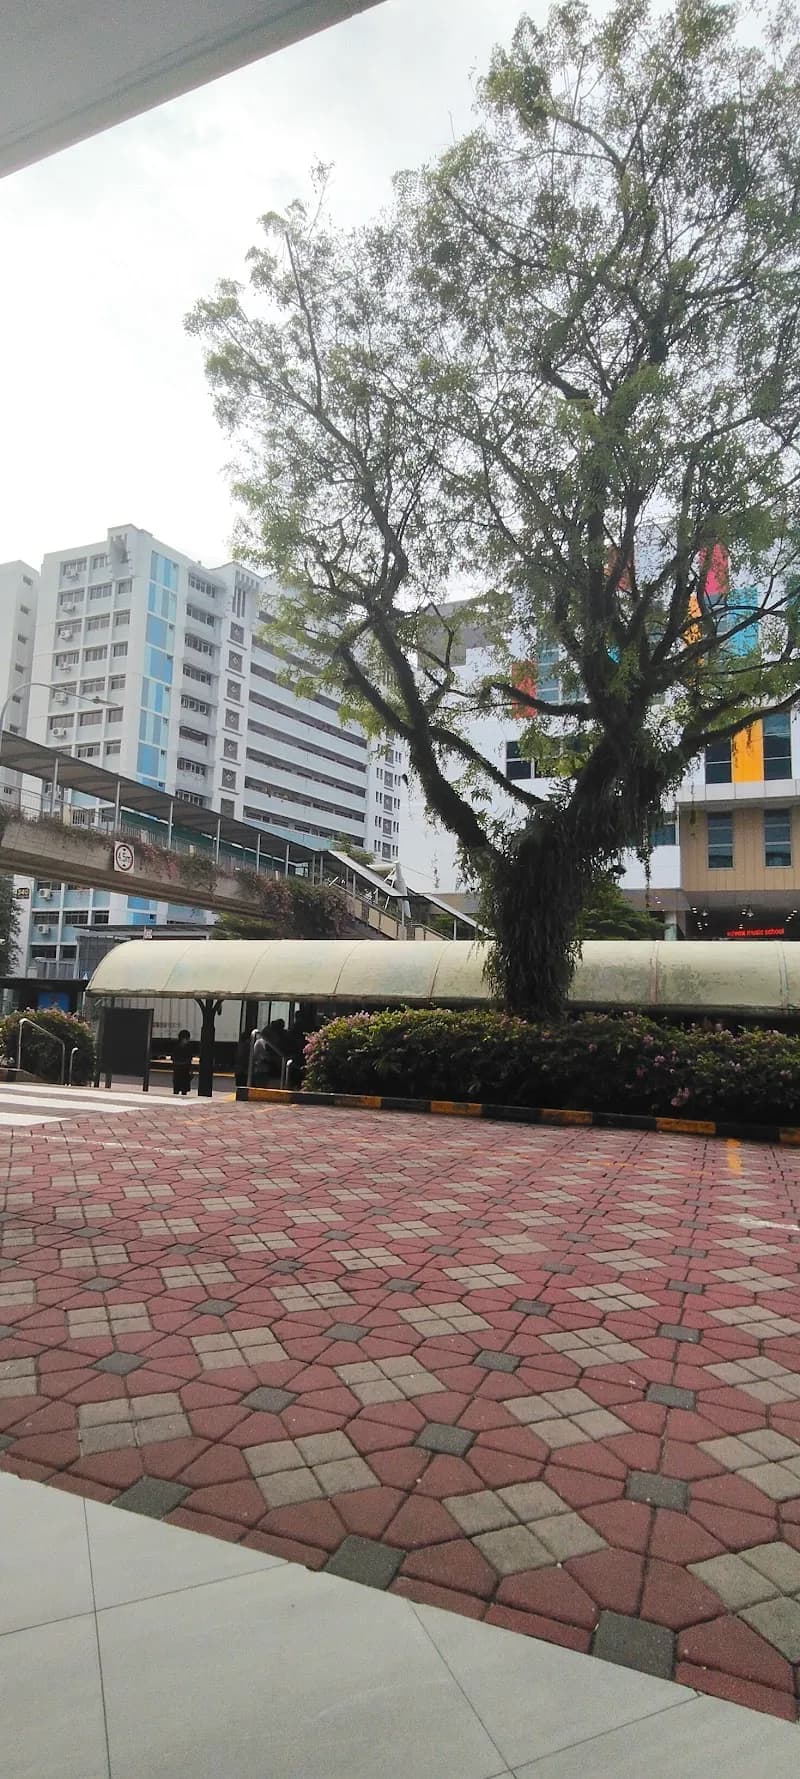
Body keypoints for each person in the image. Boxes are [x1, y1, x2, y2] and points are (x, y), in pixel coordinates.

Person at [170, 1029, 194, 1096]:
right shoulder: (187, 1047)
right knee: (182, 1088)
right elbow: (189, 1059)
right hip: (183, 1070)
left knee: (179, 1088)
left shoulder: (176, 1047)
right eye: (187, 1038)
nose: (188, 1040)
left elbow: (173, 1058)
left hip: (179, 1070)